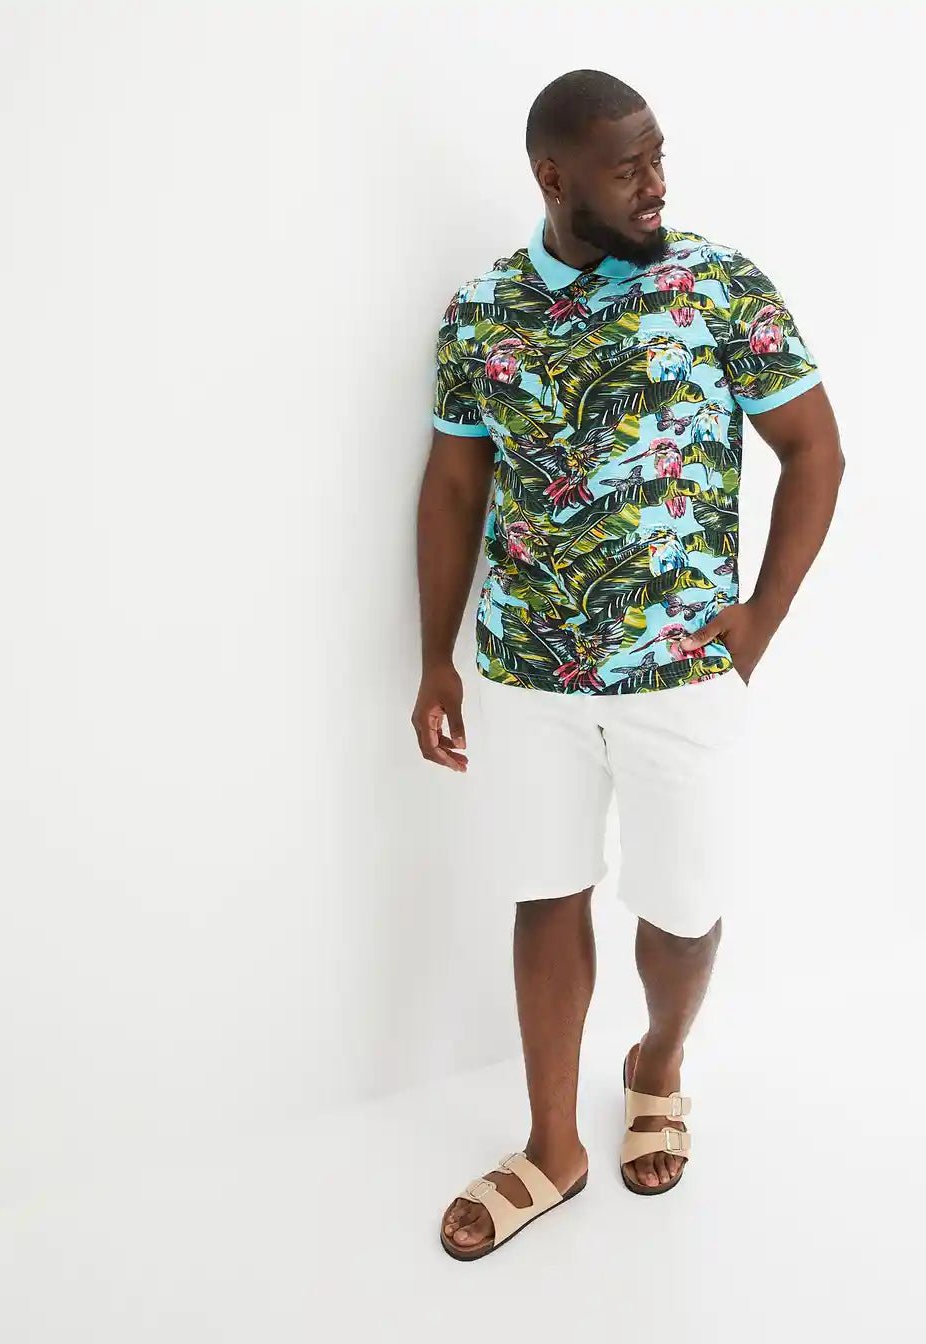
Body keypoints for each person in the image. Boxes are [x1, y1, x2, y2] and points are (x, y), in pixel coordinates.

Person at [413, 69, 843, 1262]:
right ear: (554, 178)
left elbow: (814, 449)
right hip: (527, 671)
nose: (656, 184)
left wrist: (759, 619)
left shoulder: (720, 286)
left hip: (682, 672)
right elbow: (453, 485)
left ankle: (658, 1061)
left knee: (684, 905)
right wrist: (435, 657)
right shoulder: (484, 312)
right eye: (626, 167)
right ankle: (552, 1145)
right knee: (544, 890)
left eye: (658, 156)